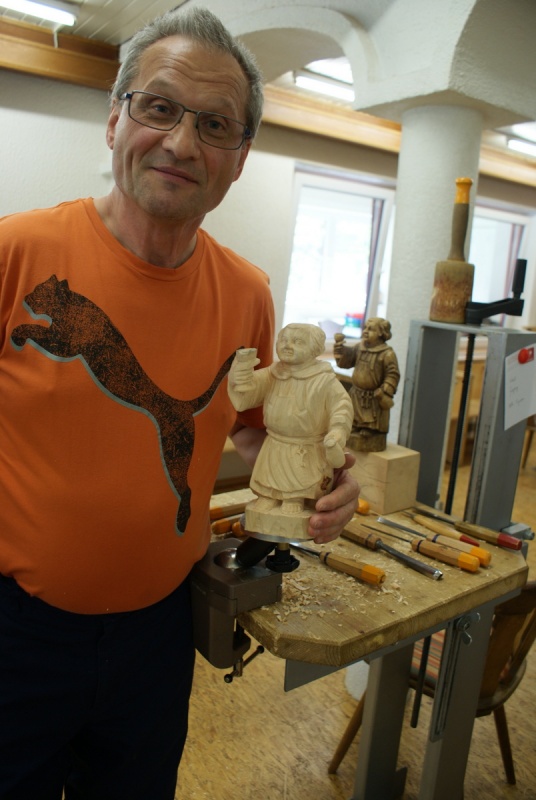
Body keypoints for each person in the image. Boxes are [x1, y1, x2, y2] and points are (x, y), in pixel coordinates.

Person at [0, 7, 359, 799]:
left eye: (215, 124)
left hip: (158, 633)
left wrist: (323, 476)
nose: (182, 143)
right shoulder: (15, 251)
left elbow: (258, 434)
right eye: (159, 107)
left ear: (240, 158)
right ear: (114, 119)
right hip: (17, 631)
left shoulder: (248, 294)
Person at [228, 324, 353, 539]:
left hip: (306, 446)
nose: (287, 345)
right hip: (275, 441)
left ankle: (294, 499)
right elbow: (248, 394)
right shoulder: (274, 373)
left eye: (298, 342)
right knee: (269, 477)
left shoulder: (323, 380)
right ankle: (269, 496)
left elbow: (341, 408)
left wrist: (337, 433)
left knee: (299, 477)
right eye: (284, 340)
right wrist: (242, 376)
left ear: (315, 349)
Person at [334, 317, 400, 451]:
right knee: (353, 413)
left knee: (370, 416)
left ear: (381, 333)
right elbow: (349, 358)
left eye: (371, 329)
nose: (365, 331)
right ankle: (356, 425)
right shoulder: (360, 347)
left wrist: (385, 389)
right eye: (365, 328)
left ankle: (369, 430)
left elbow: (393, 374)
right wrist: (341, 351)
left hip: (373, 396)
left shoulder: (387, 354)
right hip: (357, 392)